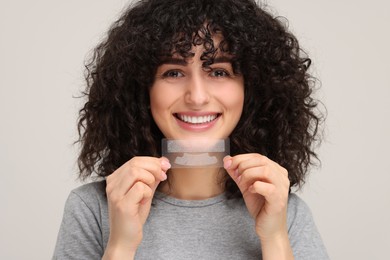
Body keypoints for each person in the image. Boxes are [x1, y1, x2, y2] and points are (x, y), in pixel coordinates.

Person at [53, 0, 329, 259]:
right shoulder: (93, 209)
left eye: (219, 71)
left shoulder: (284, 212)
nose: (197, 97)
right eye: (173, 72)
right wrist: (121, 246)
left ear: (252, 89)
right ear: (141, 89)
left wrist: (275, 239)